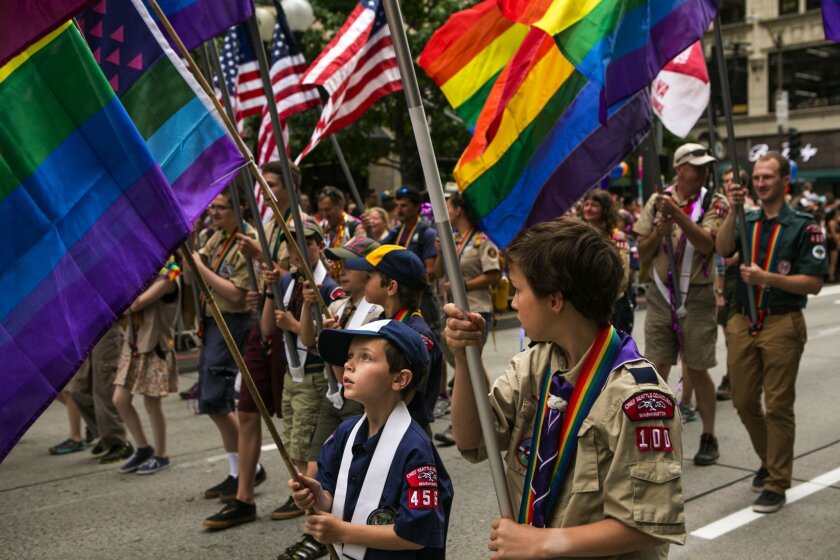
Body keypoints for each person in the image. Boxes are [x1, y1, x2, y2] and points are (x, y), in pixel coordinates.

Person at [445, 217, 684, 558]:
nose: (513, 303)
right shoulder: (534, 364)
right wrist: (466, 357)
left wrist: (541, 543)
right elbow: (472, 438)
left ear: (555, 300)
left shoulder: (638, 398)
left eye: (519, 290)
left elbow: (646, 523)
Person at [717, 152, 826, 514]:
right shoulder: (746, 219)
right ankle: (769, 458)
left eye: (768, 177)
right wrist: (733, 208)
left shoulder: (804, 225)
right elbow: (721, 248)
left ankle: (777, 481)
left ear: (784, 182)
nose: (761, 183)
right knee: (744, 401)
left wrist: (767, 279)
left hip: (782, 320)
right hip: (743, 320)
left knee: (778, 405)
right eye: (757, 178)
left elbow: (812, 284)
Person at [289, 320, 453, 559]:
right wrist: (318, 497)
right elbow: (333, 500)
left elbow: (416, 534)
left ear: (399, 379)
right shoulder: (344, 433)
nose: (348, 364)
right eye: (350, 355)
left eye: (365, 357)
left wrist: (342, 532)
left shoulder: (415, 448)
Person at [202, 162, 299, 530]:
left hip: (292, 326)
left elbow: (307, 273)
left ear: (289, 186)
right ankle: (244, 498)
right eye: (264, 185)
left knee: (293, 412)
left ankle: (303, 484)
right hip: (264, 322)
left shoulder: (301, 226)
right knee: (246, 408)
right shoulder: (269, 224)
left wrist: (261, 255)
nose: (267, 191)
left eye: (273, 184)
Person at [277, 236, 385, 560]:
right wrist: (315, 312)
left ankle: (343, 534)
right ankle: (316, 535)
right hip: (333, 396)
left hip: (355, 400)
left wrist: (342, 344)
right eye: (338, 262)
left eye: (349, 263)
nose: (341, 269)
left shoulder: (374, 312)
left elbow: (350, 368)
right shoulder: (337, 306)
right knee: (314, 470)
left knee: (354, 474)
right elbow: (309, 339)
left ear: (368, 270)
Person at [633, 143, 728, 466]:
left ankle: (709, 435)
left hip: (698, 296)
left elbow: (707, 244)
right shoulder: (657, 201)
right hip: (661, 295)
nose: (703, 170)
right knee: (657, 366)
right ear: (679, 169)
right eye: (696, 165)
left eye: (705, 165)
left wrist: (678, 217)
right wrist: (660, 232)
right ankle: (656, 434)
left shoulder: (714, 202)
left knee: (697, 369)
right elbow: (642, 254)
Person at [260, 214, 344, 521]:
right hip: (290, 371)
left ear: (320, 245)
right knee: (292, 438)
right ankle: (301, 490)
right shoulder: (287, 281)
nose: (295, 249)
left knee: (306, 443)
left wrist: (295, 323)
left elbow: (327, 342)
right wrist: (270, 290)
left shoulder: (328, 287)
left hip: (313, 372)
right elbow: (268, 327)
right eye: (290, 242)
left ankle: (310, 497)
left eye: (304, 242)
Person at [184, 187, 255, 501]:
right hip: (212, 322)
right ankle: (237, 470)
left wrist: (200, 266)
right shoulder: (215, 238)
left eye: (221, 208)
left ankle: (248, 470)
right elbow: (191, 279)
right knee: (212, 401)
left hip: (234, 322)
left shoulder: (246, 241)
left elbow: (237, 295)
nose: (213, 214)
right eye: (211, 208)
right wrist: (188, 248)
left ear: (239, 208)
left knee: (216, 398)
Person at [344, 246, 443, 433]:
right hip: (378, 421)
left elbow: (408, 394)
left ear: (391, 287)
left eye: (369, 277)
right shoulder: (378, 323)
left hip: (406, 429)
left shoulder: (418, 335)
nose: (364, 281)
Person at [432, 192, 500, 447]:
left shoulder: (482, 240)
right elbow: (437, 273)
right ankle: (485, 411)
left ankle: (478, 415)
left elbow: (493, 275)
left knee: (470, 363)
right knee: (468, 364)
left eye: (448, 207)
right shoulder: (454, 240)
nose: (446, 212)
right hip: (453, 309)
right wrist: (440, 252)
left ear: (459, 209)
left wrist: (464, 284)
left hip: (476, 308)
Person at [112, 257, 181, 475]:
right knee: (119, 400)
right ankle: (143, 448)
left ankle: (161, 455)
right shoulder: (141, 276)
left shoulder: (169, 276)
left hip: (154, 347)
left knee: (152, 404)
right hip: (133, 345)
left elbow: (135, 304)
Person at [715, 167, 755, 402]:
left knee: (735, 332)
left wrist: (734, 256)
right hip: (722, 278)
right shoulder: (722, 209)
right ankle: (735, 373)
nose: (729, 184)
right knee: (728, 333)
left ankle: (734, 376)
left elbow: (753, 246)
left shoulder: (750, 210)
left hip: (740, 276)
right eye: (726, 181)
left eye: (733, 181)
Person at [70, 323, 133, 463]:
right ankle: (104, 434)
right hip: (84, 330)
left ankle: (118, 443)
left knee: (104, 390)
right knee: (77, 390)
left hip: (105, 331)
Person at [581, 189, 634, 334]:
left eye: (594, 205)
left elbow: (621, 278)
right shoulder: (576, 235)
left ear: (605, 209)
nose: (588, 208)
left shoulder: (616, 237)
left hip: (611, 306)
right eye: (586, 204)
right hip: (584, 306)